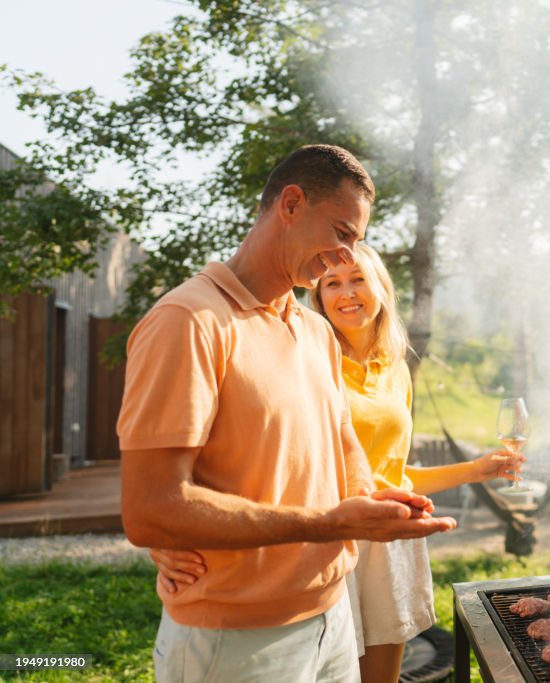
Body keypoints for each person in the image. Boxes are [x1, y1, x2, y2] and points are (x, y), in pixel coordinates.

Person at [117, 144, 457, 683]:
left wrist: (373, 500)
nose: (347, 257)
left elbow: (340, 443)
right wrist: (328, 524)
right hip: (235, 640)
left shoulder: (315, 329)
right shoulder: (188, 320)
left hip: (333, 618)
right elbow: (151, 509)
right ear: (291, 204)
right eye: (342, 233)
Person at [151, 242, 525, 683]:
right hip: (327, 534)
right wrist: (172, 528)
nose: (346, 293)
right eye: (332, 283)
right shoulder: (309, 355)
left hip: (388, 539)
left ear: (381, 288)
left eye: (358, 280)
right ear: (320, 295)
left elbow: (388, 476)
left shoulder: (396, 369)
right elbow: (253, 447)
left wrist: (477, 470)